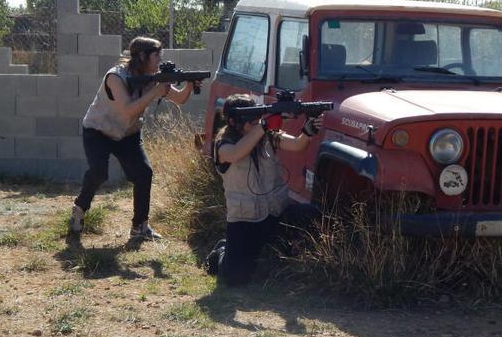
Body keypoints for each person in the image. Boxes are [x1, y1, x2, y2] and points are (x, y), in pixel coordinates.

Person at [69, 36, 200, 240]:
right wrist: (154, 92)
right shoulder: (115, 77)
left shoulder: (152, 76)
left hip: (128, 134)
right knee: (99, 173)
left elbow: (180, 99)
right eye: (156, 56)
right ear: (142, 56)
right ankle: (79, 208)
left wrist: (191, 85)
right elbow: (127, 111)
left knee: (143, 173)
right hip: (98, 131)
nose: (159, 60)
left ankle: (140, 226)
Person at [208, 94, 322, 286]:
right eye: (250, 122)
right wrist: (263, 126)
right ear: (233, 122)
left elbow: (297, 145)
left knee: (313, 215)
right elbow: (236, 154)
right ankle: (222, 251)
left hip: (275, 213)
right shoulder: (223, 145)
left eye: (257, 120)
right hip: (246, 220)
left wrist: (308, 131)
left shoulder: (266, 135)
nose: (255, 124)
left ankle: (287, 256)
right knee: (235, 279)